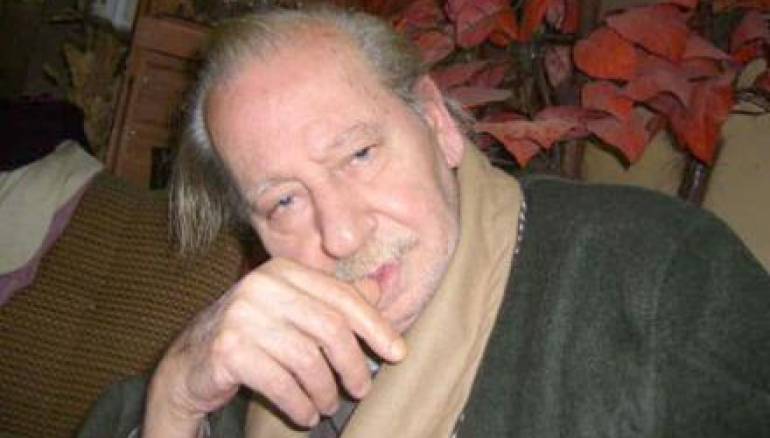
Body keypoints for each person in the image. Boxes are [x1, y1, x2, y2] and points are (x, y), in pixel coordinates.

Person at [80, 6, 770, 438]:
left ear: (437, 123)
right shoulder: (261, 354)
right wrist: (175, 397)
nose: (340, 235)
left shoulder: (659, 274)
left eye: (358, 154)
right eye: (284, 201)